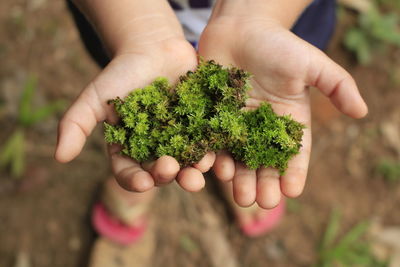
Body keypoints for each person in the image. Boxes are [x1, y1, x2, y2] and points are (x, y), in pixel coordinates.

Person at [56, 0, 368, 265]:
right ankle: (144, 175)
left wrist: (256, 18)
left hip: (281, 16)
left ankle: (227, 159)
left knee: (285, 78)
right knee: (131, 93)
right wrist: (139, 27)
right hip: (125, 21)